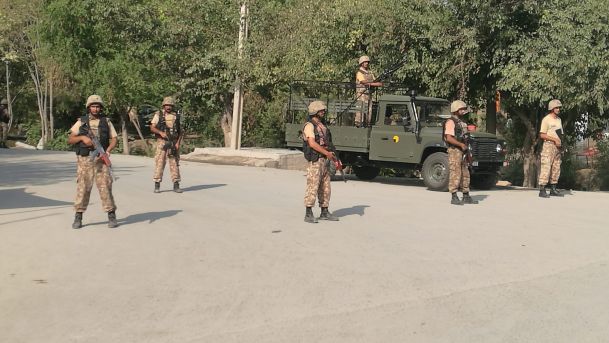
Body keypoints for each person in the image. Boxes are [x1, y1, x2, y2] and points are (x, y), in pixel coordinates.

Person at [67, 95, 118, 229]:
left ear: (100, 108)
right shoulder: (81, 122)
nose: (95, 109)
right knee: (83, 188)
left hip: (101, 159)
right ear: (89, 107)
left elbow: (114, 139)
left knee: (105, 187)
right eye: (93, 106)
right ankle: (78, 216)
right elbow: (70, 139)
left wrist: (108, 150)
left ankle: (111, 215)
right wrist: (82, 138)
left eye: (97, 106)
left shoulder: (106, 121)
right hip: (85, 160)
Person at [302, 101, 339, 223]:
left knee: (326, 187)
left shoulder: (322, 125)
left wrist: (333, 157)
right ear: (315, 111)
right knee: (313, 185)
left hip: (325, 159)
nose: (323, 111)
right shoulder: (309, 126)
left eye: (323, 110)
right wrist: (326, 153)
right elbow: (312, 143)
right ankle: (308, 213)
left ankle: (324, 211)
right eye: (321, 110)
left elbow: (328, 142)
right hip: (316, 159)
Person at [443, 100, 478, 205]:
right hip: (455, 150)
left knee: (465, 172)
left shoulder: (461, 122)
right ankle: (454, 196)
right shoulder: (451, 122)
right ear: (455, 110)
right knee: (455, 172)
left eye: (463, 109)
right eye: (461, 109)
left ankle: (466, 195)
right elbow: (448, 138)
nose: (463, 111)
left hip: (463, 150)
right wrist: (461, 145)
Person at [150, 96, 183, 193]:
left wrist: (178, 143)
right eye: (166, 105)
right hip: (162, 141)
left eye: (170, 105)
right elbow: (152, 127)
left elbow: (180, 131)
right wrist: (160, 132)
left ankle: (176, 184)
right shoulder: (158, 115)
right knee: (160, 163)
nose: (168, 107)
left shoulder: (176, 116)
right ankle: (157, 184)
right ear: (164, 105)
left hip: (173, 142)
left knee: (174, 164)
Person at [538, 99, 564, 198]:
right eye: (556, 107)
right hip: (548, 146)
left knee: (556, 167)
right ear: (552, 108)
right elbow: (542, 135)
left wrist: (561, 144)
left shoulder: (559, 120)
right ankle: (542, 190)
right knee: (546, 166)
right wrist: (554, 139)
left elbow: (560, 134)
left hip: (557, 147)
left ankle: (553, 189)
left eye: (559, 107)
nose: (558, 109)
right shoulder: (546, 119)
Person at [354, 55, 383, 127]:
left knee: (369, 111)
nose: (367, 63)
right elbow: (363, 82)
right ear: (362, 63)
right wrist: (376, 84)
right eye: (365, 62)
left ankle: (368, 124)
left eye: (367, 62)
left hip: (369, 94)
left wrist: (378, 82)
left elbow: (374, 80)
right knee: (361, 111)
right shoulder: (359, 72)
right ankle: (359, 125)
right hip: (361, 94)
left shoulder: (370, 72)